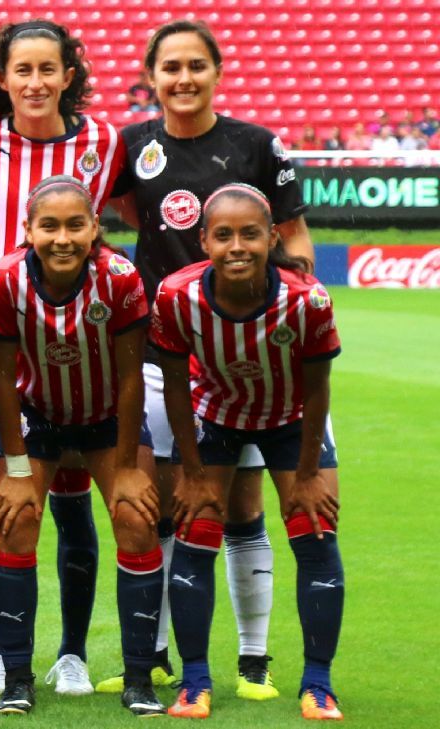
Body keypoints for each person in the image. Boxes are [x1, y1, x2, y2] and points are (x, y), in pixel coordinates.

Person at [105, 18, 331, 700]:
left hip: (249, 362)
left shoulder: (255, 145)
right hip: (162, 355)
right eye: (169, 66)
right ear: (151, 76)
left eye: (195, 65)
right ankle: (163, 654)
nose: (182, 77)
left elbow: (294, 238)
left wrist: (285, 326)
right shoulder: (133, 146)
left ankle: (254, 657)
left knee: (241, 500)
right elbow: (117, 208)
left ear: (216, 71)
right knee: (173, 501)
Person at [0, 17, 124, 696]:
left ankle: (71, 652)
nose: (34, 82)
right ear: (1, 79)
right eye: (22, 70)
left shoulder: (101, 141)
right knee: (0, 498)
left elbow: (129, 202)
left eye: (48, 69)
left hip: (78, 342)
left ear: (68, 77)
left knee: (70, 500)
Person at [151, 184, 344, 721]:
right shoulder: (175, 294)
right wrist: (190, 471)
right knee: (196, 530)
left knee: (315, 528)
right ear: (203, 240)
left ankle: (318, 683)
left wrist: (307, 473)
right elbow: (172, 386)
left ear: (272, 237)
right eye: (224, 235)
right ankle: (194, 683)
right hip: (215, 416)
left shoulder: (308, 298)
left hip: (293, 420)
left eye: (250, 234)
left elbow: (318, 389)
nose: (237, 246)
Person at [0, 176, 165, 717]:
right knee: (15, 522)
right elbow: (3, 380)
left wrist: (129, 466)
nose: (63, 238)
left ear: (95, 230)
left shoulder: (121, 279)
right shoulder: (4, 282)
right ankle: (16, 676)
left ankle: (138, 679)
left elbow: (132, 378)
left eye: (75, 225)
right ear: (28, 231)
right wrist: (15, 468)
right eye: (50, 226)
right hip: (36, 417)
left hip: (108, 419)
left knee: (135, 517)